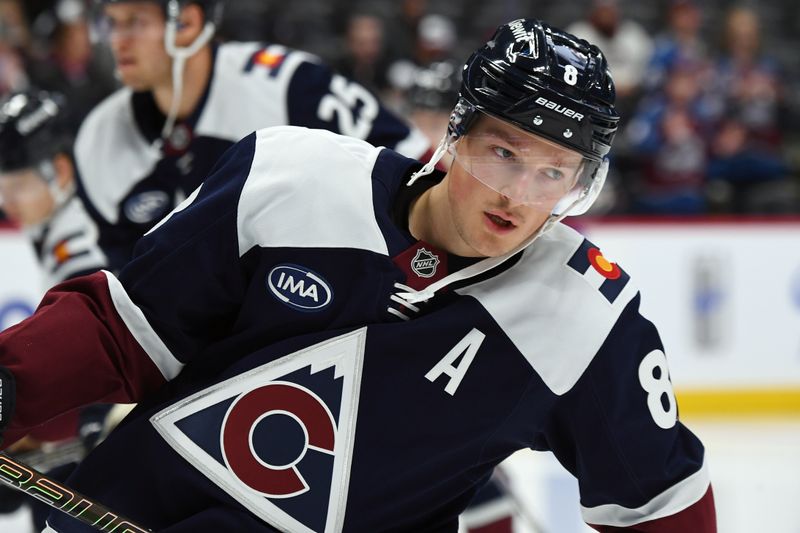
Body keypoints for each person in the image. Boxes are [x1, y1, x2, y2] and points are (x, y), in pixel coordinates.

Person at [0, 18, 716, 532]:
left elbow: (662, 503)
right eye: (504, 153)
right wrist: (12, 382)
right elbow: (123, 330)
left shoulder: (587, 317)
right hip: (122, 510)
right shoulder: (290, 177)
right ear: (457, 132)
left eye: (554, 173)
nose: (519, 194)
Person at [76, 0, 431, 272]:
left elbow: (419, 168)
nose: (117, 40)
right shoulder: (98, 138)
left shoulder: (289, 85)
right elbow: (123, 281)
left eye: (135, 22)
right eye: (111, 22)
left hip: (320, 305)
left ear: (187, 23)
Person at [0, 89, 116, 532]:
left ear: (60, 171)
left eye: (18, 185)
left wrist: (34, 438)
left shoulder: (81, 243)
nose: (8, 201)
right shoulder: (57, 226)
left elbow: (93, 361)